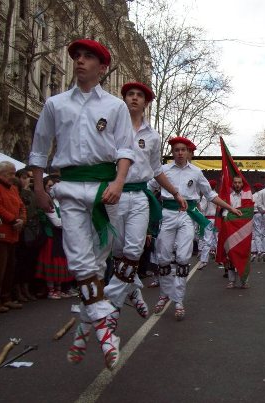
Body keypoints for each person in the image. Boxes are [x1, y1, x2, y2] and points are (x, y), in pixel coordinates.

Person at [29, 39, 135, 370]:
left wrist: (118, 183)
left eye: (89, 57)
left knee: (96, 265)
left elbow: (125, 150)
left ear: (103, 68)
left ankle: (83, 328)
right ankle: (106, 331)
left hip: (105, 192)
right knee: (79, 263)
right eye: (78, 56)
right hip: (70, 188)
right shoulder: (55, 104)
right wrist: (37, 187)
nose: (80, 61)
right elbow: (39, 147)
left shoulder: (116, 107)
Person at [104, 82, 186, 331]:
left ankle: (112, 305)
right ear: (124, 98)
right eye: (130, 94)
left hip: (139, 196)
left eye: (140, 96)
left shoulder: (152, 136)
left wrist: (175, 192)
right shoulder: (111, 126)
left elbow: (156, 170)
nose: (134, 99)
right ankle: (134, 291)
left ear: (146, 102)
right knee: (117, 251)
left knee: (133, 250)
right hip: (114, 195)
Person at [150, 137, 241, 320]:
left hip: (187, 216)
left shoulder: (197, 172)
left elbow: (211, 195)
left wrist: (230, 207)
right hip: (167, 214)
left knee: (183, 257)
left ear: (189, 152)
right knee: (163, 257)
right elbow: (148, 188)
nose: (180, 153)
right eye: (176, 150)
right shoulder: (163, 170)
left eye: (183, 149)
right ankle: (164, 294)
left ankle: (179, 301)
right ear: (172, 152)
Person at [35, 177, 75, 298]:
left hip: (61, 236)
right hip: (51, 236)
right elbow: (57, 222)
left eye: (54, 186)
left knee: (61, 262)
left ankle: (59, 289)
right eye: (49, 186)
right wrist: (70, 223)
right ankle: (51, 289)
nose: (52, 188)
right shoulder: (46, 202)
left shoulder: (58, 201)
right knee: (52, 263)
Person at [0, 161, 26, 313]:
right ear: (1, 174)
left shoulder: (14, 189)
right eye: (10, 173)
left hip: (14, 233)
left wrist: (22, 220)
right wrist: (13, 220)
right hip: (2, 233)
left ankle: (6, 297)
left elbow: (22, 206)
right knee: (0, 268)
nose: (13, 176)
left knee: (10, 267)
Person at [14, 168, 39, 302]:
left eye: (28, 177)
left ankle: (26, 288)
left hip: (32, 231)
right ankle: (18, 290)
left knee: (29, 262)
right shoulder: (17, 192)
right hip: (20, 231)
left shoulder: (33, 193)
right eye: (23, 177)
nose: (26, 180)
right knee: (19, 262)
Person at [224, 176, 250, 288]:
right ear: (232, 184)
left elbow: (250, 212)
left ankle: (244, 281)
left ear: (242, 184)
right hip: (231, 229)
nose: (237, 184)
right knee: (231, 255)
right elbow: (225, 213)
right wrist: (229, 220)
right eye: (235, 182)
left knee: (243, 255)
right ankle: (231, 281)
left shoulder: (248, 197)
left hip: (244, 230)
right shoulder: (228, 197)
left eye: (239, 182)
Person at [198, 179, 219, 269]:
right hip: (217, 220)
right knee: (218, 239)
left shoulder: (205, 196)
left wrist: (197, 204)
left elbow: (202, 208)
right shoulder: (218, 195)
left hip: (208, 220)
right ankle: (221, 259)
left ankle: (203, 261)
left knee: (207, 240)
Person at [250, 182, 265, 262]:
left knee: (255, 233)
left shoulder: (252, 196)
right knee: (263, 233)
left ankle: (256, 251)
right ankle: (263, 251)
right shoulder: (263, 195)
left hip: (255, 214)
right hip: (263, 214)